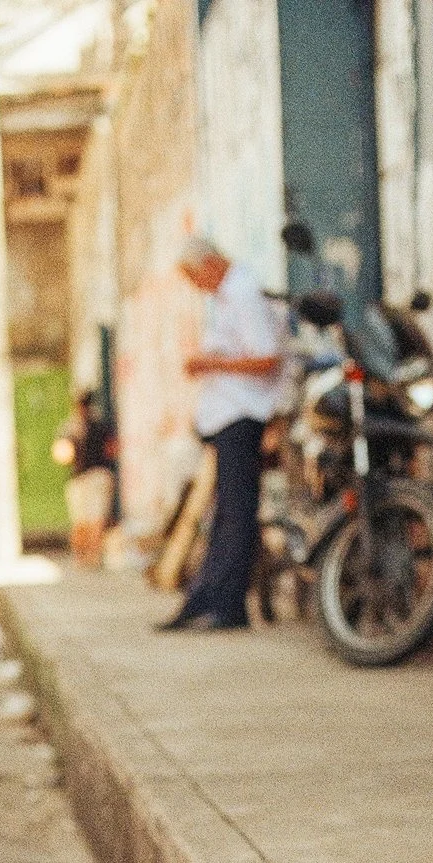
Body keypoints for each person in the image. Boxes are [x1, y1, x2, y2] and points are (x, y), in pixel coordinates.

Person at [159, 234, 281, 631]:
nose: (197, 287)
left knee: (237, 513)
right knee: (227, 512)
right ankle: (212, 598)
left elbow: (267, 358)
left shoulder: (243, 293)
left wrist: (212, 364)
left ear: (210, 264)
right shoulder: (227, 297)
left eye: (195, 278)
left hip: (242, 415)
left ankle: (227, 604)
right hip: (225, 417)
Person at [54, 390, 116, 567]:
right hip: (93, 475)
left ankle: (87, 556)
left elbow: (62, 455)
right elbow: (112, 449)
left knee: (87, 519)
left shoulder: (70, 427)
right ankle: (89, 556)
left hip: (89, 476)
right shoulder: (97, 425)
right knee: (90, 518)